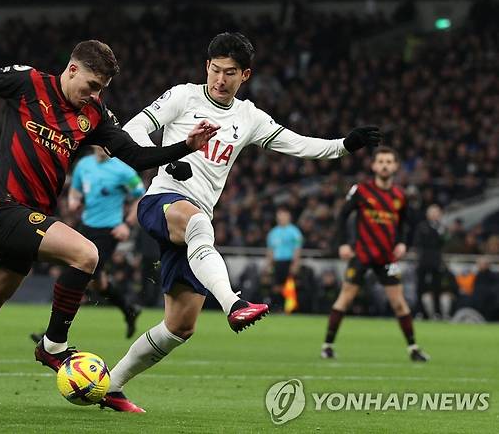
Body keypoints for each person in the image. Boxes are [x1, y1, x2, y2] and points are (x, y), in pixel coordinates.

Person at [0, 39, 220, 410]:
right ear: (72, 69)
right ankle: (53, 345)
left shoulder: (94, 114)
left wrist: (187, 145)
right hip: (5, 209)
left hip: (31, 218)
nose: (94, 94)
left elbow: (136, 156)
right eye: (91, 85)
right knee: (86, 255)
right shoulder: (27, 83)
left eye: (101, 89)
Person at [100, 32, 383, 412]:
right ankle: (234, 304)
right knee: (200, 224)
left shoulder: (249, 117)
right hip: (162, 201)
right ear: (206, 67)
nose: (220, 79)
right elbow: (132, 129)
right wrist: (166, 157)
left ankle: (111, 387)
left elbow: (298, 144)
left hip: (193, 223)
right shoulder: (183, 96)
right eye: (215, 70)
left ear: (245, 75)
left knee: (179, 327)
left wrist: (343, 146)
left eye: (229, 73)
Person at [321, 146, 429, 362]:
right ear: (373, 166)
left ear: (396, 166)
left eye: (389, 162)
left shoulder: (400, 195)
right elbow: (342, 216)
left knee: (398, 303)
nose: (385, 165)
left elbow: (409, 224)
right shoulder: (361, 191)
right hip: (362, 254)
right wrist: (343, 243)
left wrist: (402, 243)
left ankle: (413, 348)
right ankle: (328, 346)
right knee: (346, 298)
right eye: (381, 162)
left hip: (387, 257)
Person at [30, 145, 145, 341]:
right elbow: (75, 190)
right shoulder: (83, 165)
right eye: (99, 142)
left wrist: (127, 224)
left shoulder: (123, 169)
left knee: (74, 276)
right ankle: (128, 308)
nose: (103, 147)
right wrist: (74, 200)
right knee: (98, 282)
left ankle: (52, 334)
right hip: (86, 227)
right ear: (93, 144)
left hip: (109, 231)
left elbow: (141, 196)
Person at [413, 204, 454, 320]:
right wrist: (436, 232)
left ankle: (437, 313)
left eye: (437, 212)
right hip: (424, 261)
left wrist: (443, 233)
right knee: (420, 288)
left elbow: (446, 242)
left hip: (437, 262)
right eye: (433, 212)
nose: (435, 215)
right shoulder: (422, 226)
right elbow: (418, 242)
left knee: (437, 288)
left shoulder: (442, 228)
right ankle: (419, 312)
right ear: (428, 214)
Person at [265, 206, 303, 311]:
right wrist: (269, 264)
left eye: (283, 215)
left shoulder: (294, 232)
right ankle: (278, 307)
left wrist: (295, 264)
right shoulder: (273, 233)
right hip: (277, 262)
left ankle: (290, 309)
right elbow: (270, 250)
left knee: (289, 286)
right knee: (276, 287)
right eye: (279, 216)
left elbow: (297, 249)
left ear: (288, 217)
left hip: (288, 262)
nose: (281, 218)